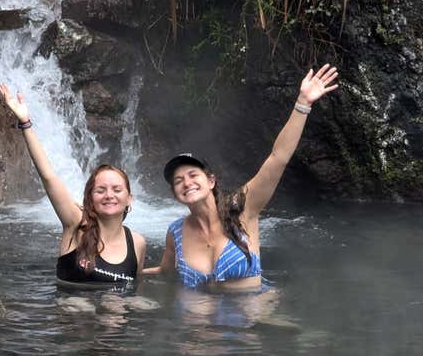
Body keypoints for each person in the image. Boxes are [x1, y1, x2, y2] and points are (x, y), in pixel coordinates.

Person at [144, 64, 339, 291]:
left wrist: (303, 104)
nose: (186, 183)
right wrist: (115, 274)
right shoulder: (175, 232)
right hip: (196, 323)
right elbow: (165, 272)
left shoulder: (241, 208)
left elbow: (278, 158)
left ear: (211, 181)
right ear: (175, 194)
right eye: (178, 181)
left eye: (192, 175)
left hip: (246, 320)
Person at [0, 84, 146, 286]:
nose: (109, 195)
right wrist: (25, 122)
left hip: (114, 314)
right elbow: (49, 176)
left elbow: (134, 289)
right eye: (100, 190)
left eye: (117, 189)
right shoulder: (76, 223)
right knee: (78, 306)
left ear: (129, 198)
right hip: (72, 315)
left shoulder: (137, 243)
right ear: (90, 198)